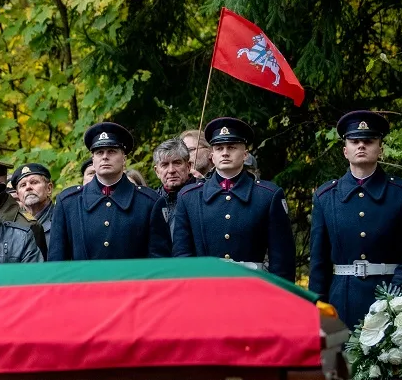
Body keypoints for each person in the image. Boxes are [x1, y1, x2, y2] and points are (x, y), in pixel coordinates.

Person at [309, 111, 402, 329]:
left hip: (392, 303)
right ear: (345, 151)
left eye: (369, 141)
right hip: (340, 305)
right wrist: (317, 307)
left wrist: (397, 295)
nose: (361, 146)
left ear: (380, 149)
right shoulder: (325, 197)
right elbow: (319, 261)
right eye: (354, 142)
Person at [171, 118, 295, 281]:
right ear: (212, 156)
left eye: (231, 147)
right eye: (219, 148)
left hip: (253, 287)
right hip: (205, 288)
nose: (225, 153)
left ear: (245, 154)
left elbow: (282, 260)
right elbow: (182, 255)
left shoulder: (268, 196)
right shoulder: (189, 197)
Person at [49, 123, 171, 261]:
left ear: (124, 159)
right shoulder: (68, 203)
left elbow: (159, 261)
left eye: (112, 151)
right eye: (99, 152)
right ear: (93, 160)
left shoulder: (149, 202)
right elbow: (57, 262)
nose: (105, 157)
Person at [152, 138, 196, 230]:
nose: (171, 170)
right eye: (164, 165)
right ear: (157, 171)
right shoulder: (152, 201)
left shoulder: (203, 195)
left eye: (177, 163)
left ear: (188, 167)